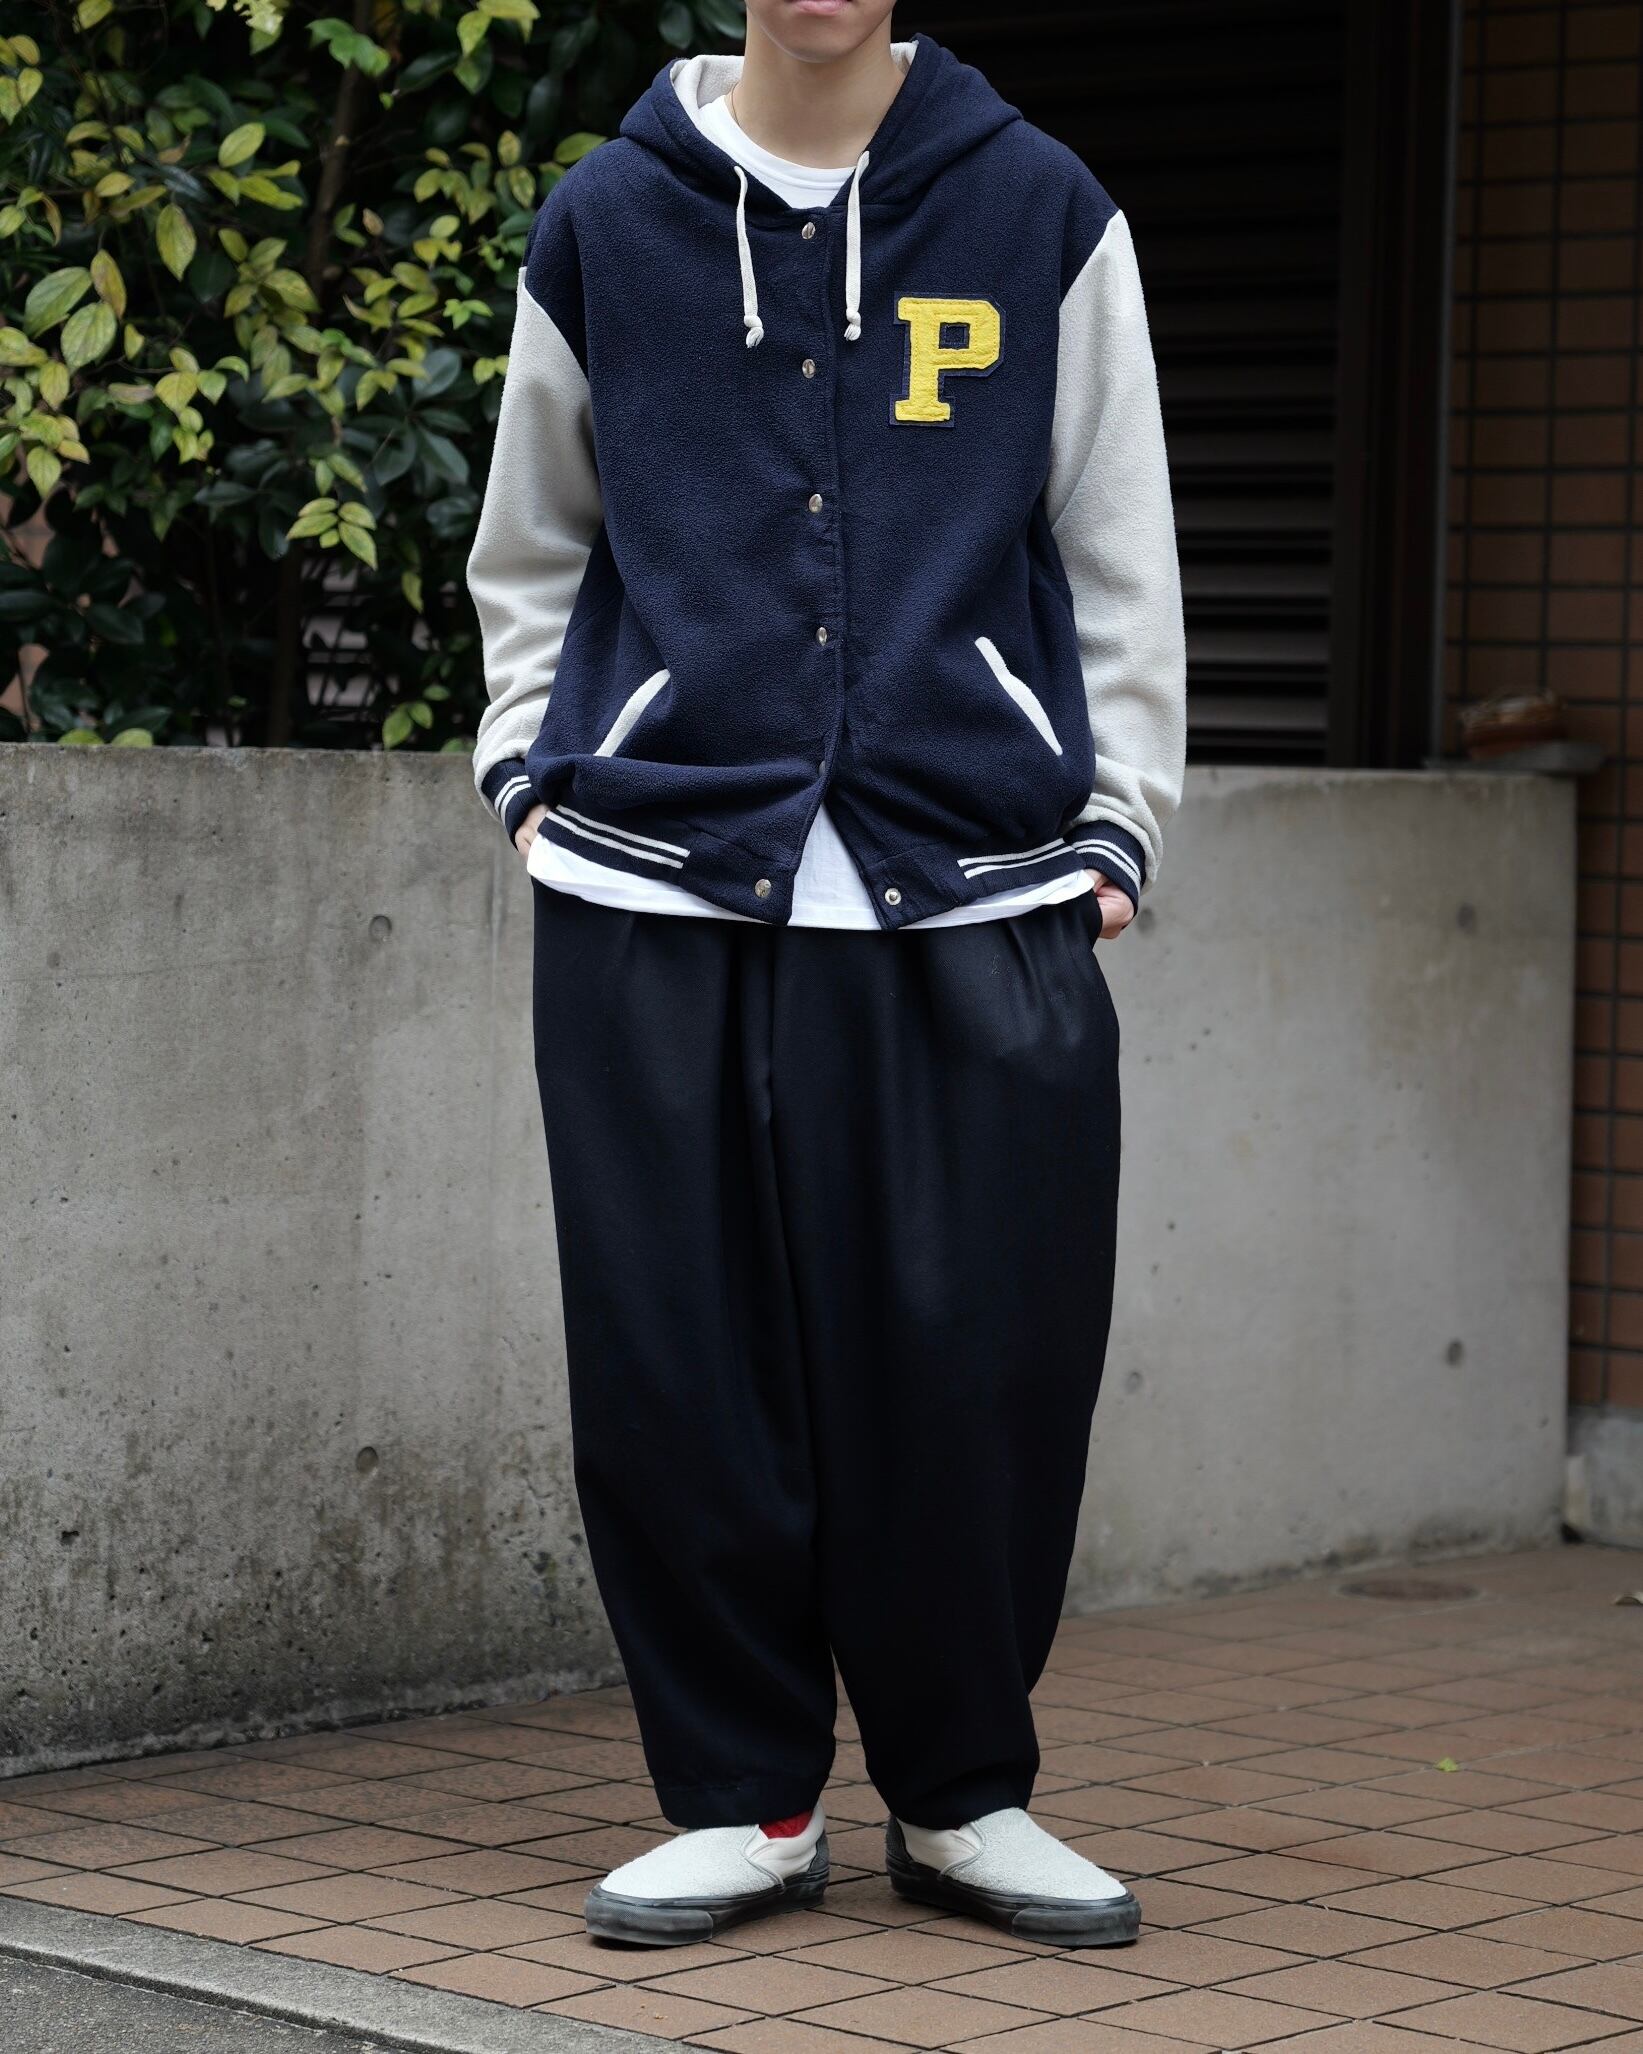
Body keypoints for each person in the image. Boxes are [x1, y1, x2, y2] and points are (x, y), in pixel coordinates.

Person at [466, 0, 1185, 1951]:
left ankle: (962, 1793)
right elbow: (533, 542)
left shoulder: (1037, 209)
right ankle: (742, 1796)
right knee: (676, 1372)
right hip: (655, 886)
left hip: (975, 885)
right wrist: (532, 776)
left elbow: (1118, 536)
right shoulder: (608, 221)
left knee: (985, 1370)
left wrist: (1117, 822)